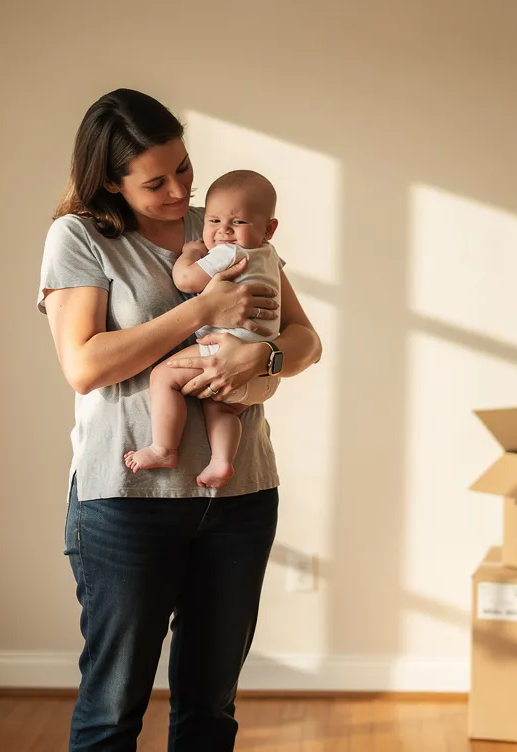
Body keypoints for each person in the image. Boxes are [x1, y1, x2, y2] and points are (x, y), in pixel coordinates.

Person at [36, 87, 322, 752]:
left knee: (210, 708)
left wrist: (263, 359)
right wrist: (200, 312)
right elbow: (84, 365)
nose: (179, 192)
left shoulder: (225, 225)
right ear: (111, 179)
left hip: (238, 494)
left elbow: (307, 341)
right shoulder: (80, 236)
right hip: (128, 501)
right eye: (155, 181)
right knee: (113, 710)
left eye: (185, 168)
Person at [124, 169, 283, 489]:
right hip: (262, 373)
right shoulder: (268, 254)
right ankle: (222, 461)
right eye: (213, 221)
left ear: (268, 228)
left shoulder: (229, 253)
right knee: (220, 407)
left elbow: (186, 280)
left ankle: (163, 448)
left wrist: (189, 255)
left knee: (162, 376)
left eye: (237, 223)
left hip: (228, 349)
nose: (223, 230)